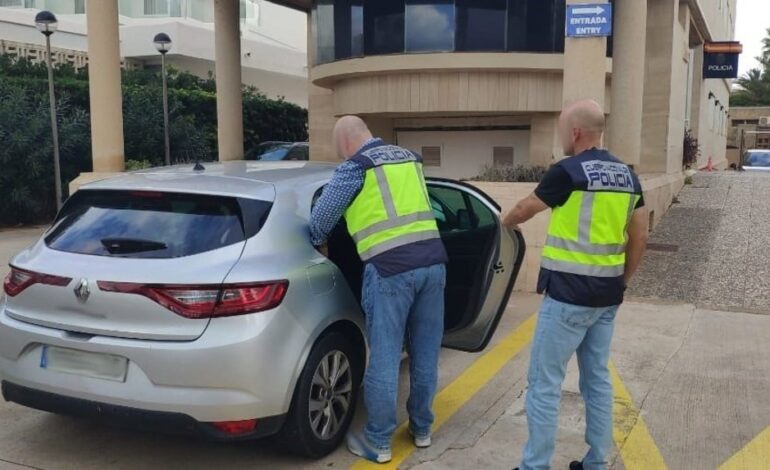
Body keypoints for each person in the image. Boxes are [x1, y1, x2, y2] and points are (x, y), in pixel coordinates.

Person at [503, 100, 649, 470]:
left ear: (575, 132)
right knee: (597, 380)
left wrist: (504, 222)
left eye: (561, 131)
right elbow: (640, 235)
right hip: (606, 298)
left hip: (568, 298)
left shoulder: (568, 171)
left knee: (544, 383)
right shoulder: (628, 176)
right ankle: (597, 462)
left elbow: (526, 209)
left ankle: (535, 465)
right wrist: (622, 282)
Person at [309, 115, 448, 464]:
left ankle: (379, 441)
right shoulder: (409, 158)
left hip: (390, 270)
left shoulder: (354, 167)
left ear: (344, 142)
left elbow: (321, 221)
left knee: (384, 358)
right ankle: (422, 429)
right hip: (433, 264)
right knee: (426, 353)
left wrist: (318, 242)